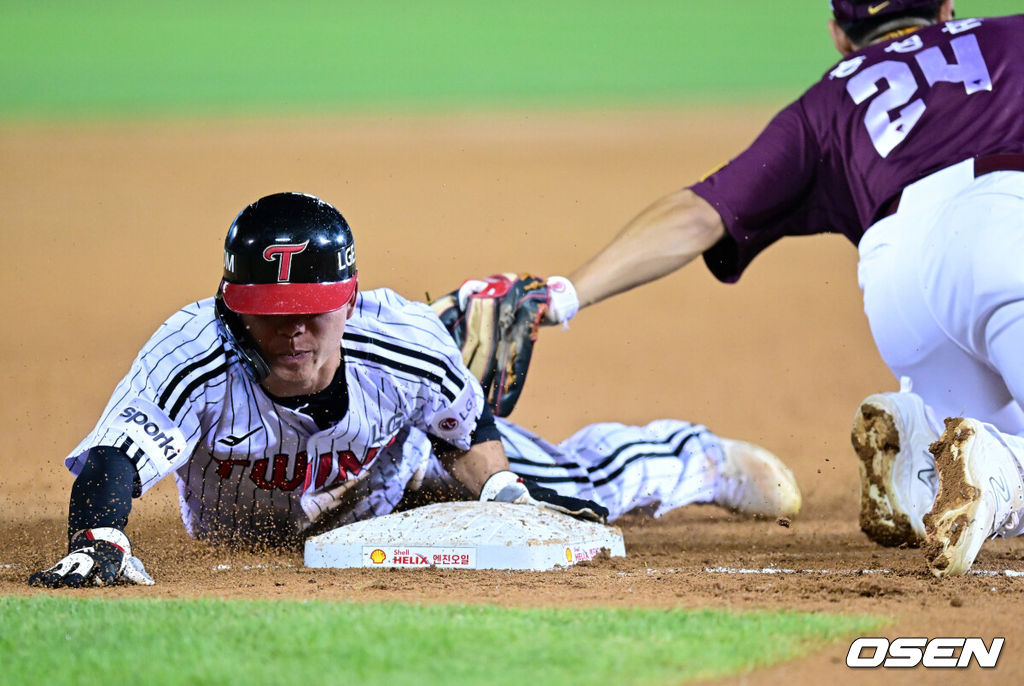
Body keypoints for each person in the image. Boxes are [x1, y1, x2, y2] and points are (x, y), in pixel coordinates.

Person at [28, 192, 800, 588]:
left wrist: (504, 503)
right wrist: (100, 541)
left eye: (310, 316)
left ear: (348, 303)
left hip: (409, 468)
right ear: (233, 308)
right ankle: (460, 327)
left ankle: (694, 459)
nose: (293, 334)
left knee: (568, 490)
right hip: (264, 528)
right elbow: (115, 459)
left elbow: (468, 435)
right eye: (270, 318)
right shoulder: (193, 352)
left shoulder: (393, 339)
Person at [528, 1, 1024, 577]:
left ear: (839, 34)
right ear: (945, 9)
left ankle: (918, 448)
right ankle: (1000, 471)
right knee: (995, 459)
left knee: (977, 446)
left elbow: (699, 213)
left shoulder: (824, 105)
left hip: (898, 287)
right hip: (1004, 230)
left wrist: (565, 294)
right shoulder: (1010, 37)